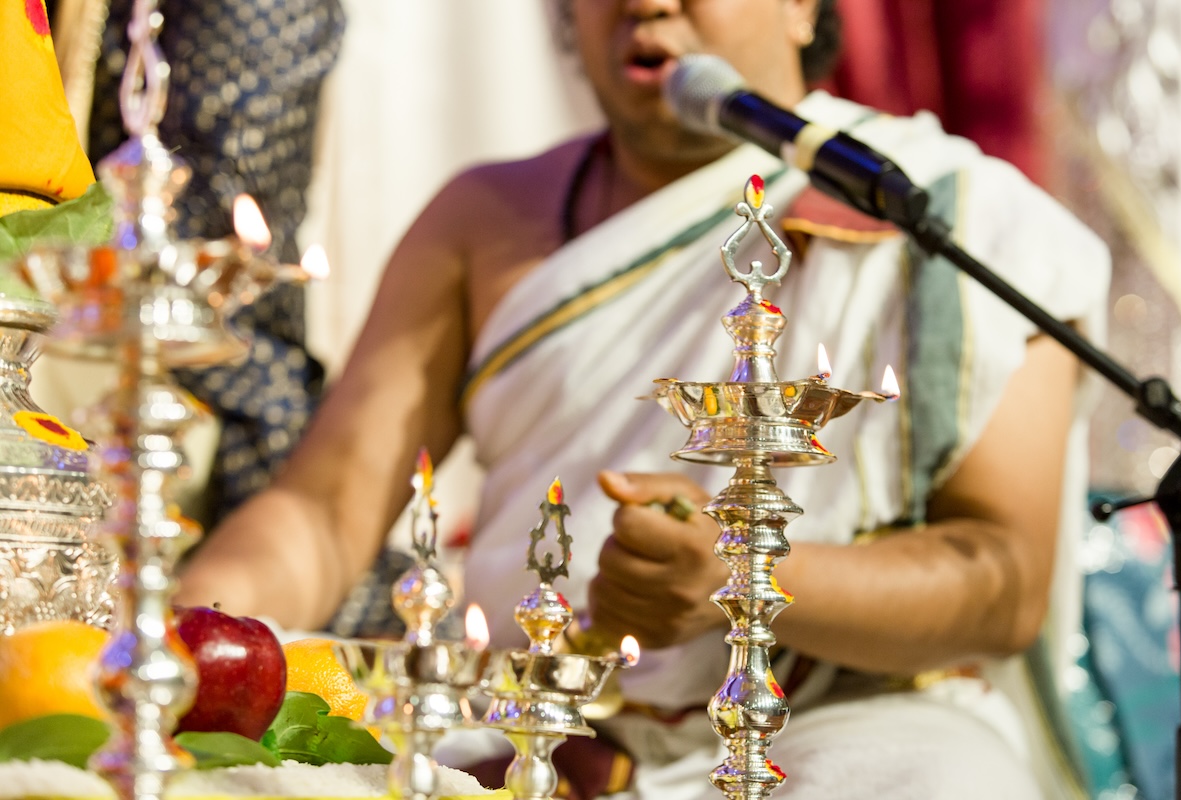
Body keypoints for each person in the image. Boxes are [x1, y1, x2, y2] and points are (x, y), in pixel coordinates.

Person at [178, 0, 1110, 797]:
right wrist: (184, 643)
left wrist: (742, 576)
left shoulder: (950, 210)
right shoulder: (485, 222)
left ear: (802, 6)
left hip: (855, 731)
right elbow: (322, 516)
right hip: (528, 722)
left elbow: (1001, 578)